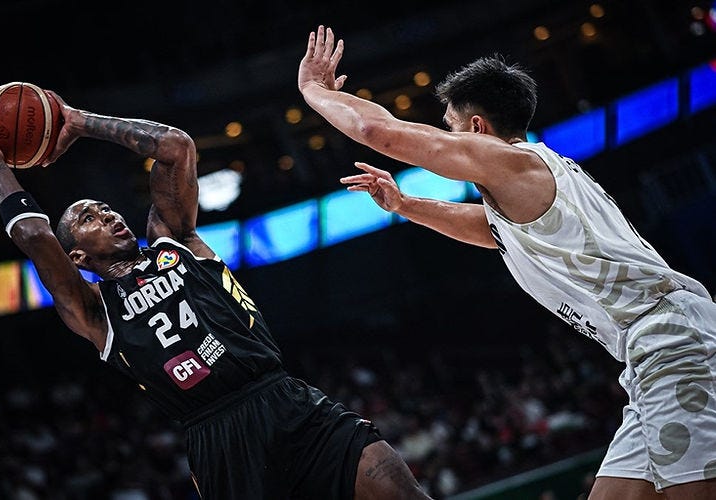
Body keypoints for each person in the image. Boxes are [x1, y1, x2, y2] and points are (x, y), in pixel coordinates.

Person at [297, 25, 716, 500]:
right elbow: (487, 228)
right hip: (649, 352)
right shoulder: (529, 192)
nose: (448, 139)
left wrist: (314, 91)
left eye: (451, 127)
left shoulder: (513, 161)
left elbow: (380, 131)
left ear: (477, 130)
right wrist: (405, 205)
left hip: (673, 341)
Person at [0, 92, 433, 500]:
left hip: (288, 401)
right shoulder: (94, 310)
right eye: (90, 218)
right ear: (76, 254)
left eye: (105, 206)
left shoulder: (172, 239)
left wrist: (75, 120)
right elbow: (35, 235)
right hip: (220, 442)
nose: (108, 213)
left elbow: (176, 148)